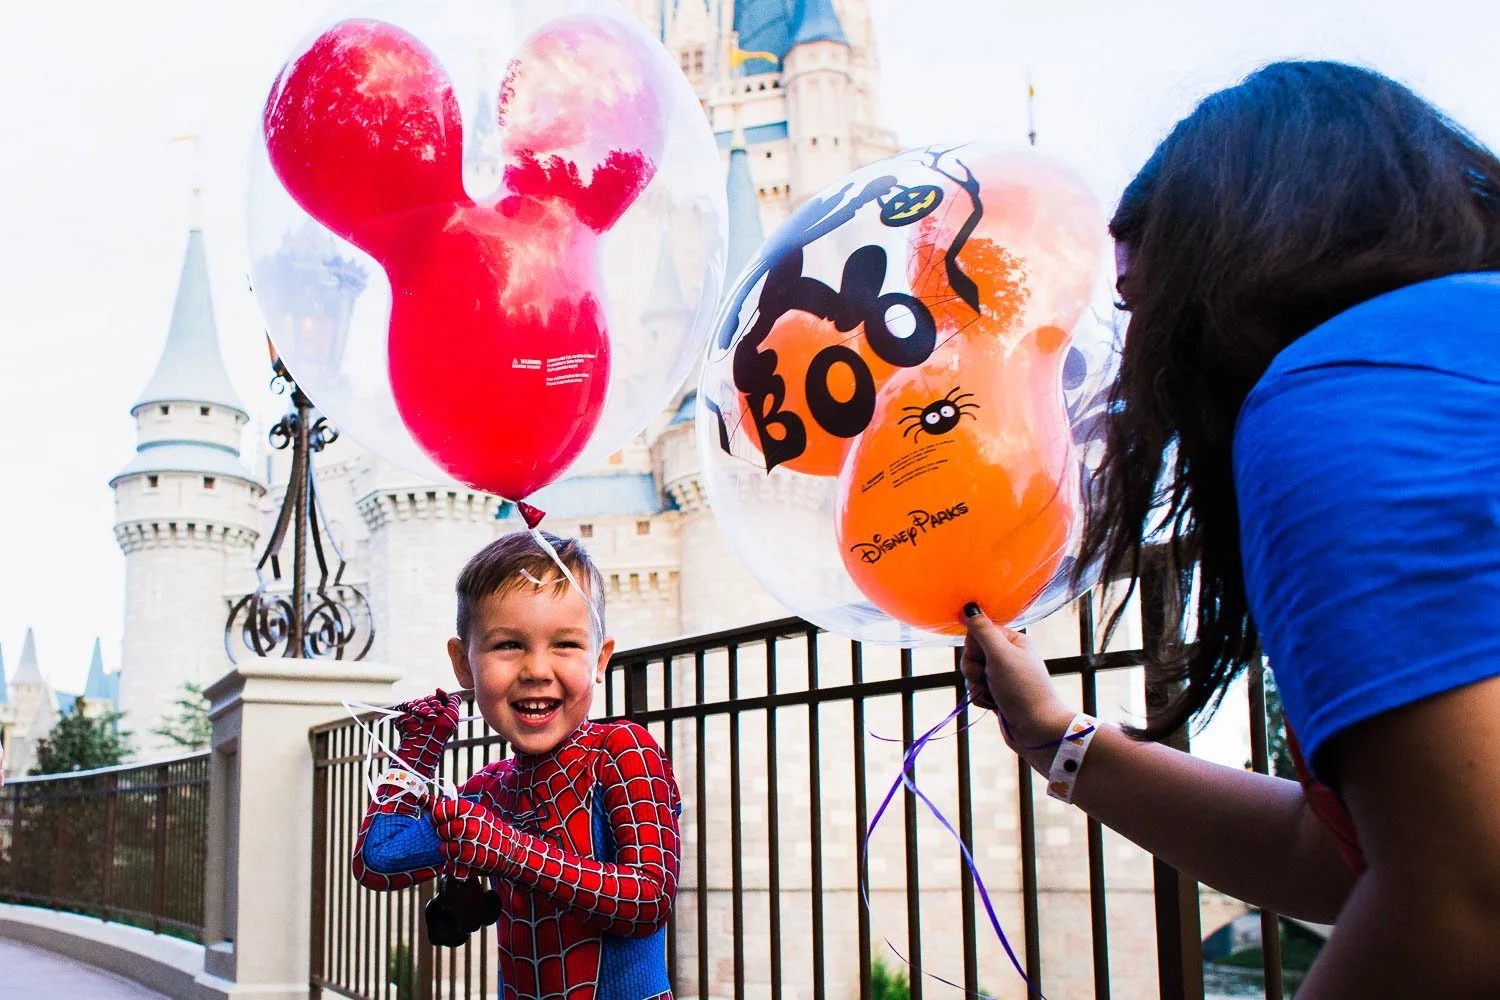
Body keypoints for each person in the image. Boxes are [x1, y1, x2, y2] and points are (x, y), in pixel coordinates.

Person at [961, 60, 1500, 996]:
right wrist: (1055, 736)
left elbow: (1463, 892)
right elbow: (1345, 853)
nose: (1130, 360)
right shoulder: (1448, 357)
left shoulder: (1340, 391)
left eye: (1137, 306)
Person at [351, 531, 682, 1000]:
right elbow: (378, 862)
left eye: (565, 644)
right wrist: (418, 752)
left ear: (599, 659)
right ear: (463, 665)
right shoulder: (489, 790)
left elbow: (650, 899)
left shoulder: (622, 751)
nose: (536, 669)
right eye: (508, 645)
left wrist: (507, 851)